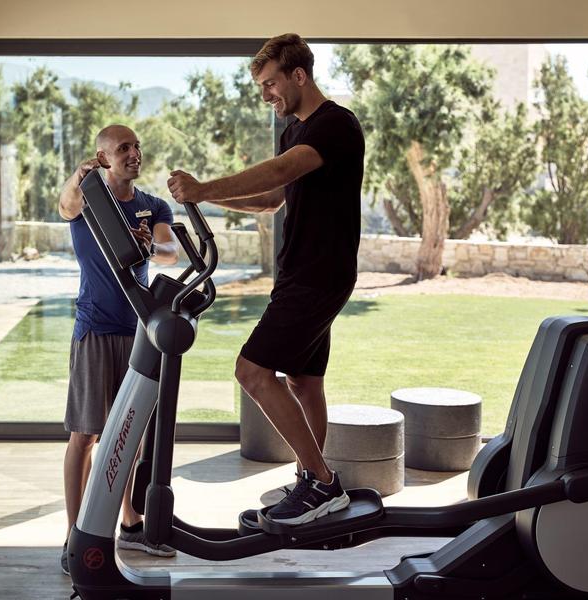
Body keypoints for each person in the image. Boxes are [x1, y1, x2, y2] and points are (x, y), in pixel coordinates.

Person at [167, 33, 365, 526]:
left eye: (271, 83)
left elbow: (281, 170)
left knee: (252, 371)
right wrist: (205, 198)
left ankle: (321, 482)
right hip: (301, 271)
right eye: (260, 86)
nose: (265, 95)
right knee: (304, 379)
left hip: (319, 274)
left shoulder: (335, 125)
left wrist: (205, 184)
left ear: (299, 75)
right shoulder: (292, 130)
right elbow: (271, 198)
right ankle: (311, 482)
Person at [57, 124, 179, 573]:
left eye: (137, 147)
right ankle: (75, 535)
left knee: (130, 432)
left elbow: (169, 250)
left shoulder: (151, 206)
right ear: (104, 156)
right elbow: (66, 203)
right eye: (124, 147)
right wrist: (78, 176)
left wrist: (151, 248)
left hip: (140, 329)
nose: (134, 153)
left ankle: (130, 521)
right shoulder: (88, 200)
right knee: (86, 436)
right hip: (95, 327)